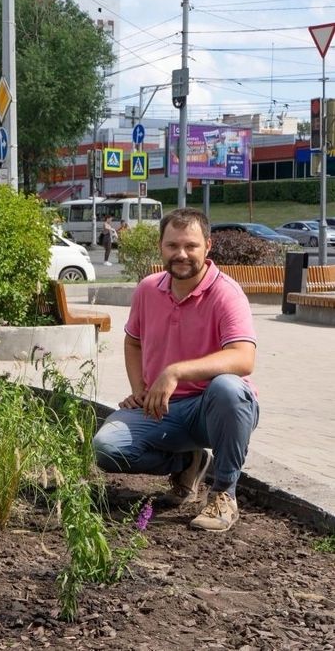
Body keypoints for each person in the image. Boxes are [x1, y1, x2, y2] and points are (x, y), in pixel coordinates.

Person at [92, 208, 259, 532]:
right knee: (106, 448)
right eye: (172, 245)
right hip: (163, 408)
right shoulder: (148, 289)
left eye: (191, 246)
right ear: (161, 247)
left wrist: (176, 372)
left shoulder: (226, 293)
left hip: (212, 410)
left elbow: (243, 358)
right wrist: (140, 389)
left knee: (229, 388)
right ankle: (187, 462)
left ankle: (224, 493)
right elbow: (133, 342)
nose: (181, 254)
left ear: (207, 246)